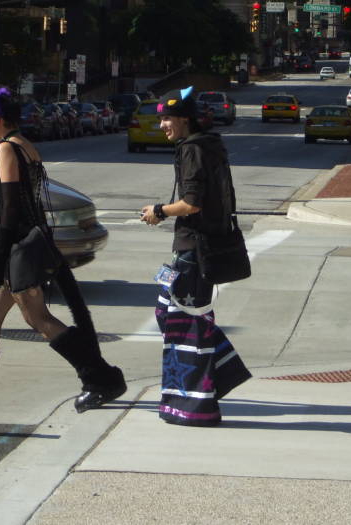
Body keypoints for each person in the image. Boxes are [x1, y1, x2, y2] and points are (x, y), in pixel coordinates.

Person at [0, 87, 126, 425]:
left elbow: (12, 209)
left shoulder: (6, 148)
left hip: (19, 248)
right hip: (24, 244)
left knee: (38, 319)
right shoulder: (26, 146)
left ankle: (101, 378)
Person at [140, 86, 251, 426]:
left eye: (167, 119)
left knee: (186, 322)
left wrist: (158, 210)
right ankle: (225, 371)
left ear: (184, 120)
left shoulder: (192, 150)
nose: (163, 126)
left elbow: (192, 203)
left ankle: (196, 403)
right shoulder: (207, 145)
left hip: (193, 249)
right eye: (161, 119)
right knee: (168, 310)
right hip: (193, 248)